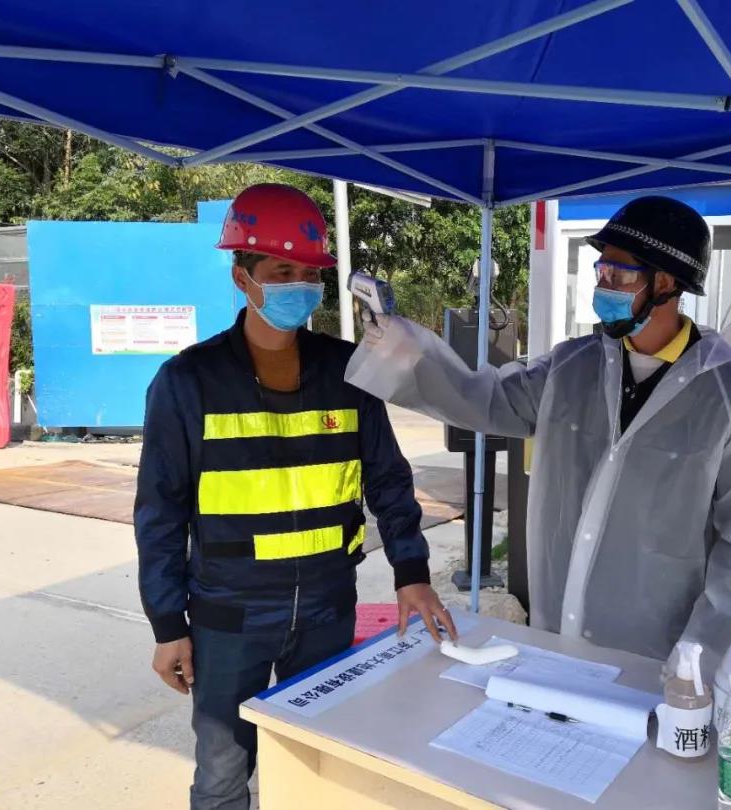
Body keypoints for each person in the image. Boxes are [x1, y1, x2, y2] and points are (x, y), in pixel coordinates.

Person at [346, 196, 731, 675]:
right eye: (602, 270)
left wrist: (700, 656)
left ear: (666, 283)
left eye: (620, 274)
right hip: (557, 633)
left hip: (660, 659)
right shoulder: (572, 366)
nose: (604, 285)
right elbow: (484, 399)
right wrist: (399, 343)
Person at [135, 183, 455, 810]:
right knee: (223, 777)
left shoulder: (348, 371)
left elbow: (388, 480)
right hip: (229, 617)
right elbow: (160, 514)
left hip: (327, 610)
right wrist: (168, 624)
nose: (300, 286)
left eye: (309, 273)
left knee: (320, 769)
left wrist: (412, 573)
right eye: (282, 272)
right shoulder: (187, 381)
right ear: (242, 277)